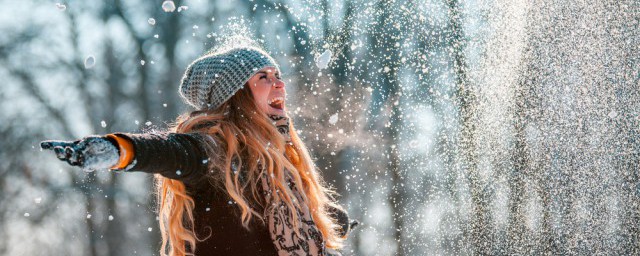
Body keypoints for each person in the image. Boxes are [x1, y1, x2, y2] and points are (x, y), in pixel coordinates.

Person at [41, 44, 357, 256]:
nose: (279, 85)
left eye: (278, 76)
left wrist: (326, 220)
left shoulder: (279, 164)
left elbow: (276, 216)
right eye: (263, 77)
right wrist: (117, 149)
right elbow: (168, 151)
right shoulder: (214, 150)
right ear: (236, 94)